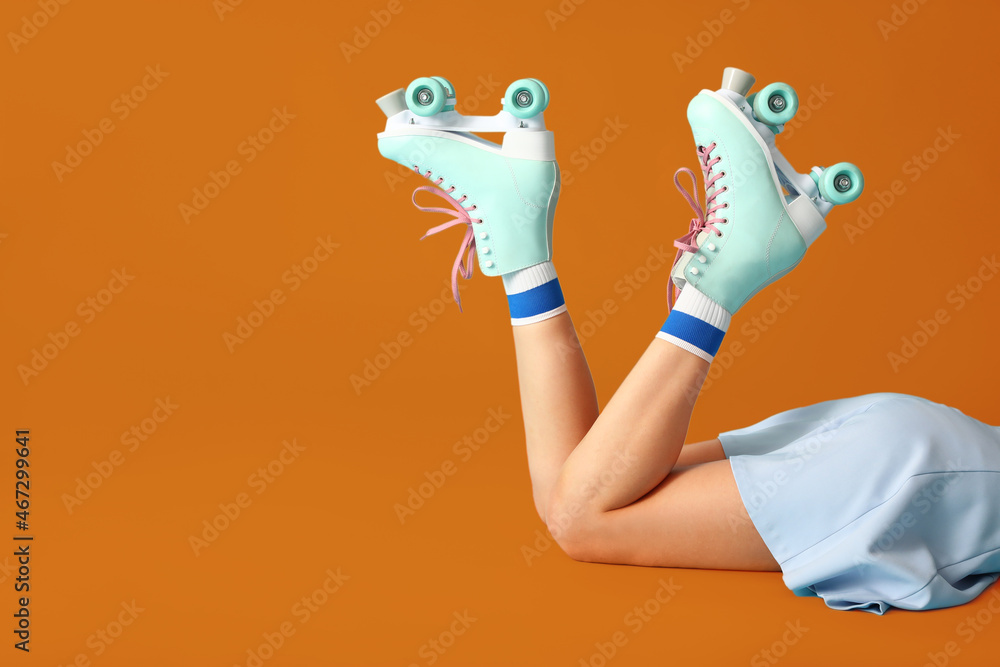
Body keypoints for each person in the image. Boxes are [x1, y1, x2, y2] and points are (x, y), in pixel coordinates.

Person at [375, 70, 1000, 614]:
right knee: (582, 518)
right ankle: (723, 278)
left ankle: (518, 241)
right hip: (927, 482)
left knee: (573, 490)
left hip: (918, 453)